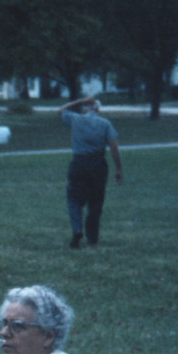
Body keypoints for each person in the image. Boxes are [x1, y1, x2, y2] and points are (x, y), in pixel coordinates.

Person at [58, 96, 122, 248]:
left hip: (79, 162)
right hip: (98, 163)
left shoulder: (75, 119)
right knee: (96, 201)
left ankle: (77, 229)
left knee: (74, 199)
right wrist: (118, 168)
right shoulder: (105, 124)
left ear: (85, 108)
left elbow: (60, 111)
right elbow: (113, 147)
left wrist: (78, 101)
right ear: (98, 109)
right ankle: (92, 237)